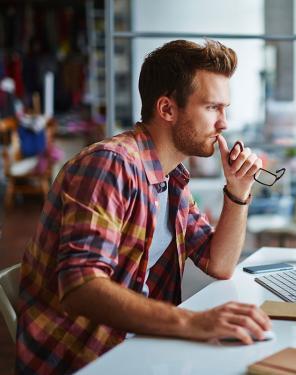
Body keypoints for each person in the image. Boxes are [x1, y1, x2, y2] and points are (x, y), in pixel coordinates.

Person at [16, 40, 271, 374]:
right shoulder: (110, 165)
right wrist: (192, 322)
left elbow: (219, 264)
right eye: (212, 108)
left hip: (138, 347)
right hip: (83, 359)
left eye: (225, 109)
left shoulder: (172, 177)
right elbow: (81, 285)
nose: (224, 123)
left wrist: (238, 191)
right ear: (167, 109)